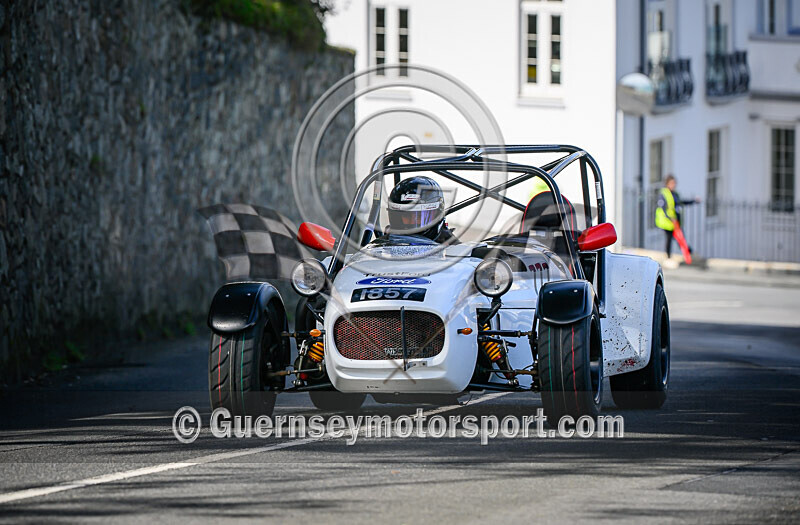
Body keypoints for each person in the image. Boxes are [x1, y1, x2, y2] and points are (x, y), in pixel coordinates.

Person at [386, 176, 457, 243]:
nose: (413, 221)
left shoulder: (452, 246)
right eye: (407, 216)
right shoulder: (385, 243)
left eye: (419, 216)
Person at [655, 174, 699, 258]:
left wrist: (693, 201)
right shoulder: (664, 194)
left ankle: (689, 253)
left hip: (675, 222)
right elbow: (663, 208)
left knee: (680, 239)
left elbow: (681, 202)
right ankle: (669, 257)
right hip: (667, 222)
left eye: (674, 183)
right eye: (671, 183)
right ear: (667, 184)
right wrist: (670, 218)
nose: (673, 185)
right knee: (670, 239)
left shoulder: (675, 194)